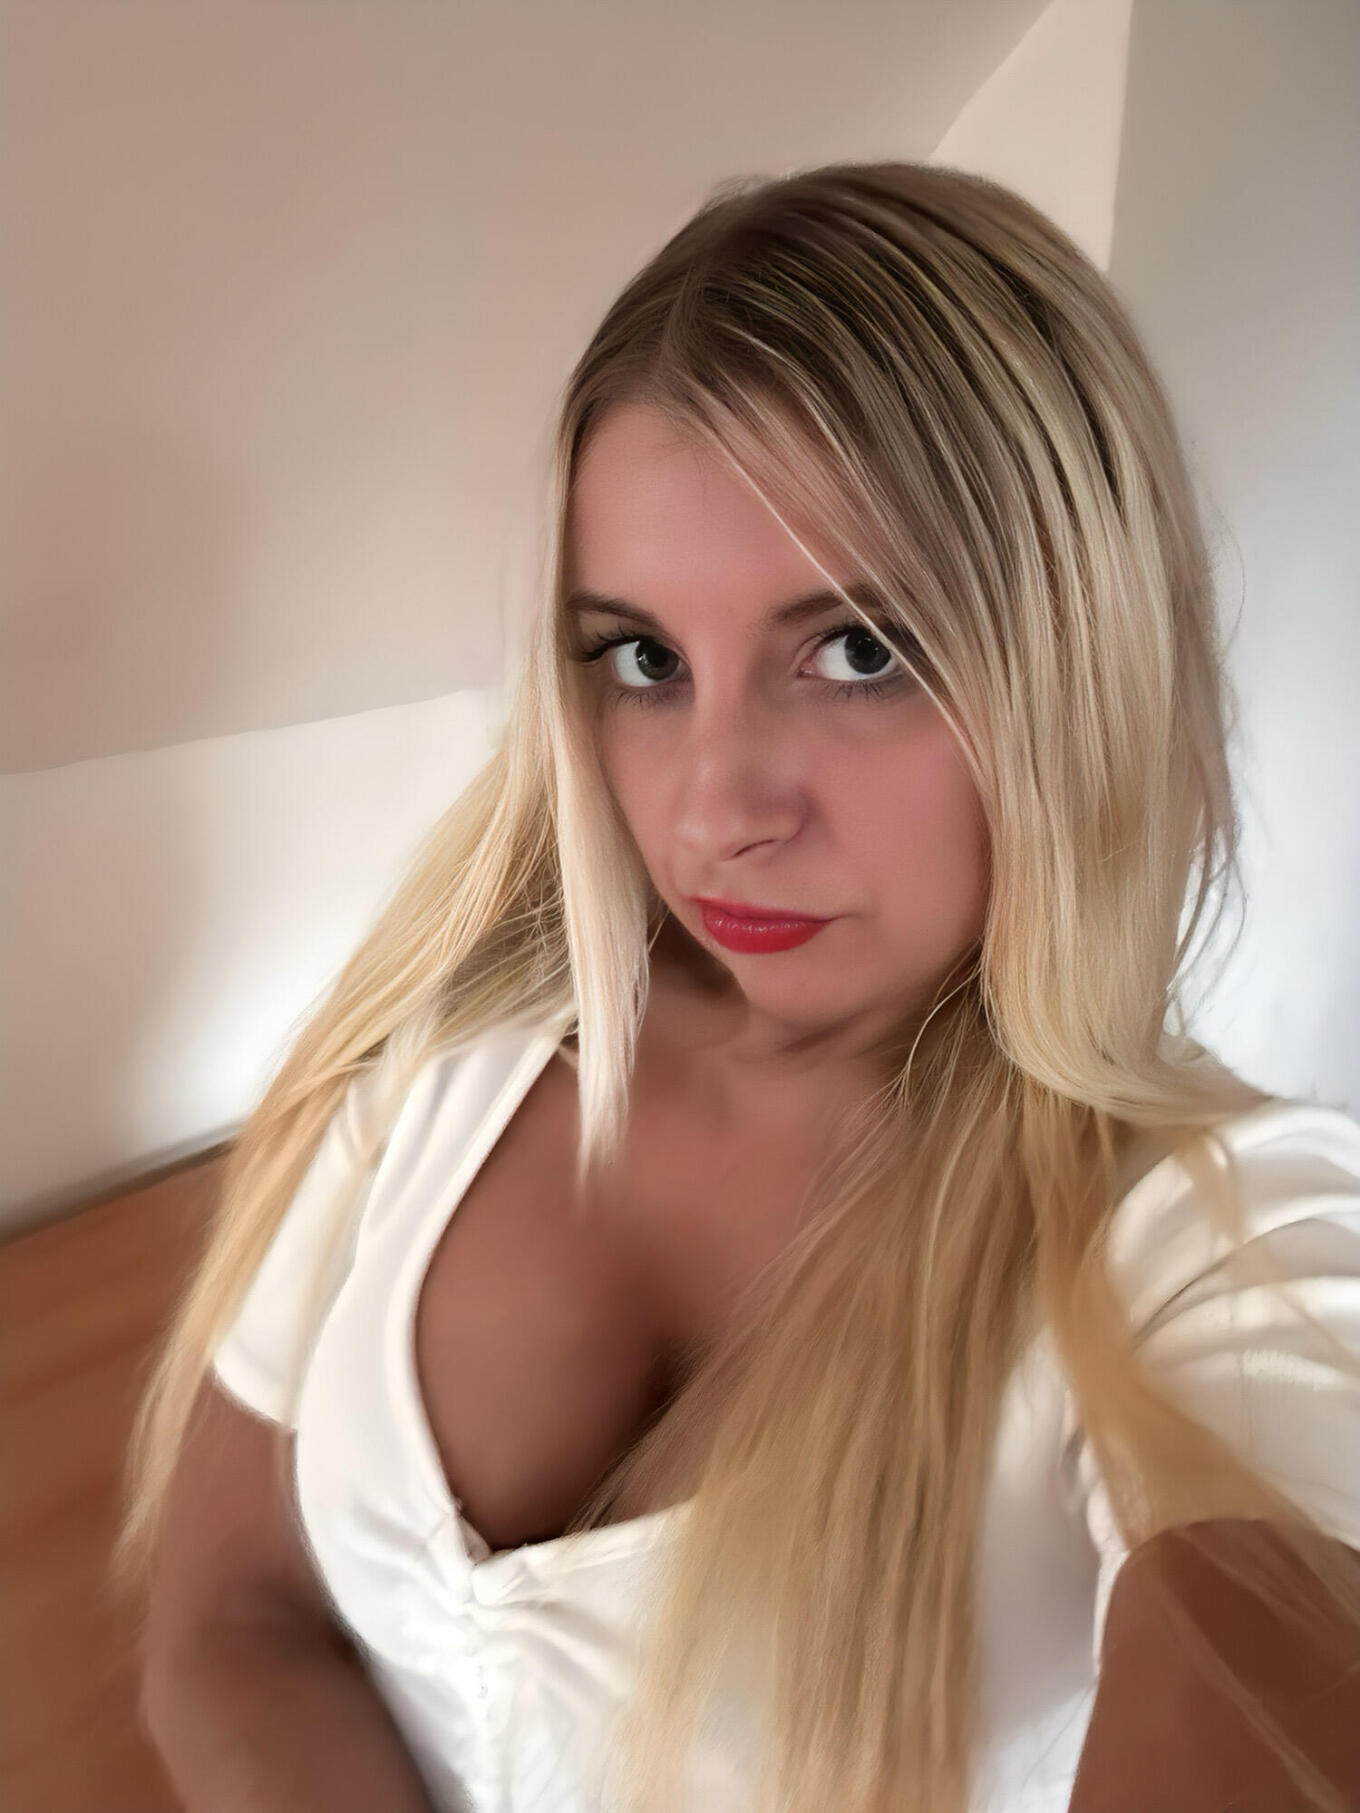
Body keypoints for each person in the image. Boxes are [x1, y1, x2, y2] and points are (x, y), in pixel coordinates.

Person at [120, 161, 1360, 1813]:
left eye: (860, 651)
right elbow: (231, 1621)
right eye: (642, 658)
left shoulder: (1218, 1238)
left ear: (1082, 665)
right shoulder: (445, 1061)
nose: (714, 810)